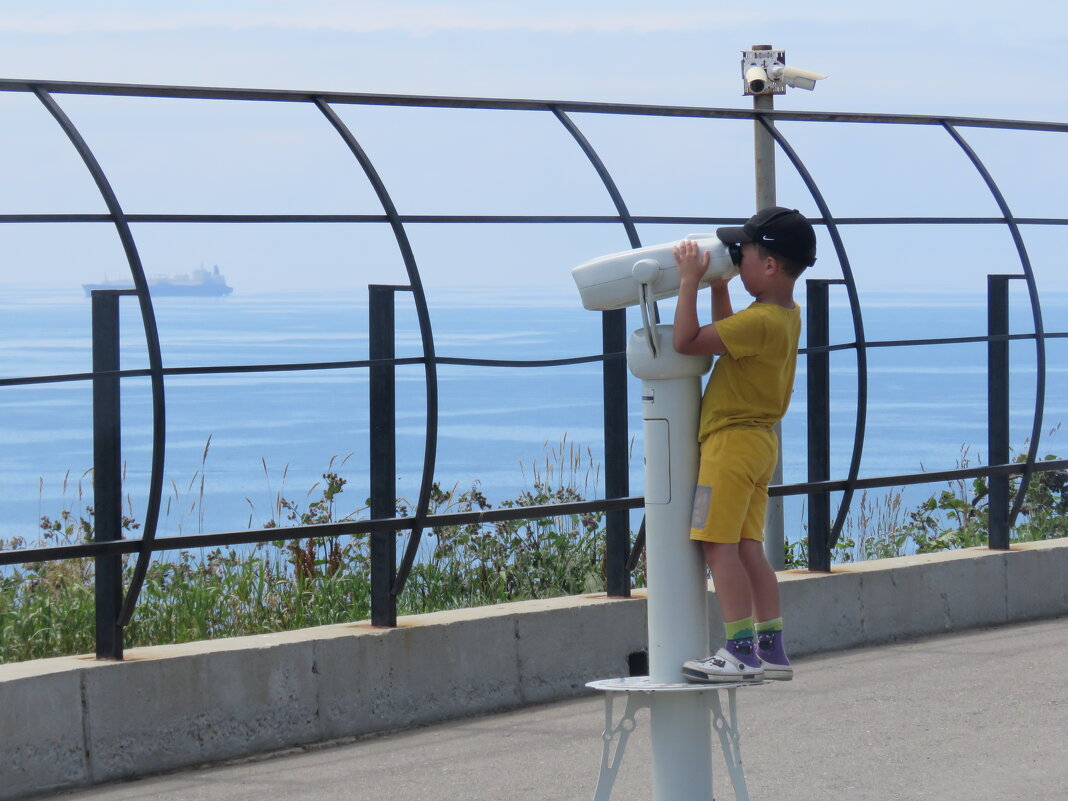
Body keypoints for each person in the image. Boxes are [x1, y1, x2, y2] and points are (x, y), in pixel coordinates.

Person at [670, 206, 816, 683]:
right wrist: (720, 285)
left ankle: (737, 652)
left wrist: (690, 279)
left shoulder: (759, 323)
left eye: (744, 254)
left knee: (716, 546)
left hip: (728, 446)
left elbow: (687, 341)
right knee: (749, 547)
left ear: (770, 265)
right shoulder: (784, 316)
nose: (737, 258)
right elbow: (728, 338)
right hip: (760, 446)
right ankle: (772, 651)